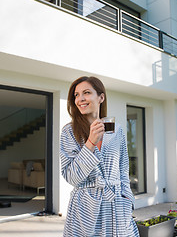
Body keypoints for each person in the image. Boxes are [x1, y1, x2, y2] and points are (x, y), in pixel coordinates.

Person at [60, 76, 140, 236]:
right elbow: (71, 177)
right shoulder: (69, 132)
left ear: (101, 97)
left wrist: (127, 200)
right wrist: (90, 142)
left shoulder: (117, 130)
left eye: (86, 93)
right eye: (76, 95)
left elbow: (123, 170)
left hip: (117, 204)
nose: (80, 99)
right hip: (85, 208)